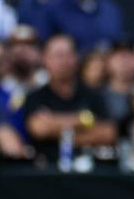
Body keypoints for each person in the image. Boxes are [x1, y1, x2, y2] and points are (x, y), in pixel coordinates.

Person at [22, 34, 116, 165]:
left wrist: (54, 127)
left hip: (88, 169)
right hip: (46, 169)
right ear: (45, 59)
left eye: (68, 55)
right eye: (58, 56)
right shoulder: (35, 97)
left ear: (76, 58)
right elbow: (39, 129)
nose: (64, 61)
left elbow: (108, 133)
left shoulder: (93, 96)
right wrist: (84, 119)